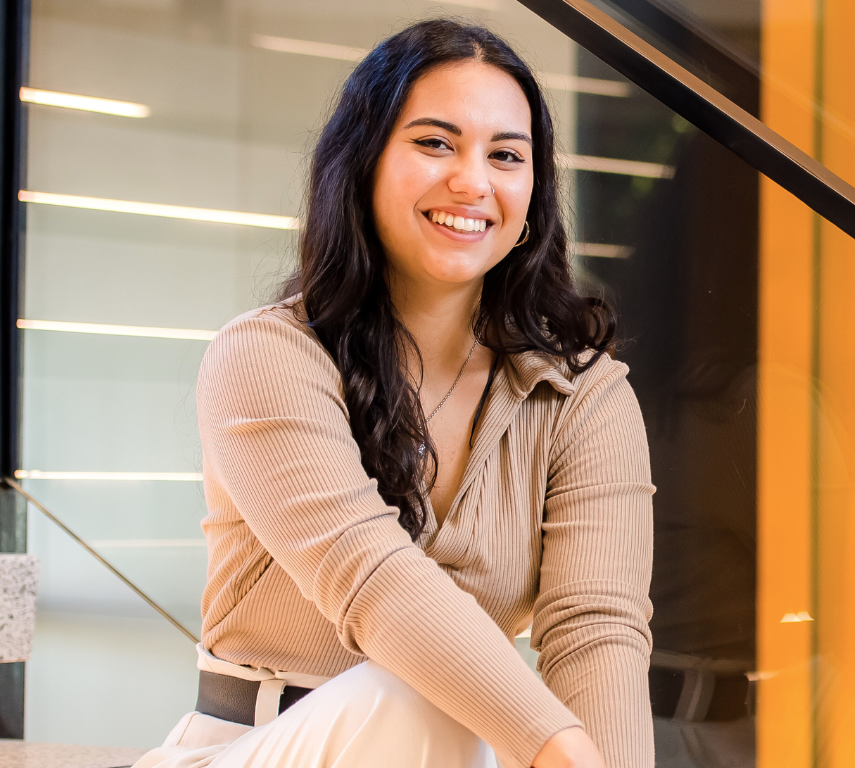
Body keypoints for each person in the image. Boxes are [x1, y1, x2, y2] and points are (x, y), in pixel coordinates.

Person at [132, 19, 654, 768]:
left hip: (448, 755)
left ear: (533, 196)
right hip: (262, 743)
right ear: (365, 163)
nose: (472, 181)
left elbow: (597, 627)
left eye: (506, 155)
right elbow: (375, 580)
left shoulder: (584, 394)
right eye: (436, 143)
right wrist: (559, 748)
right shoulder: (267, 356)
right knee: (418, 688)